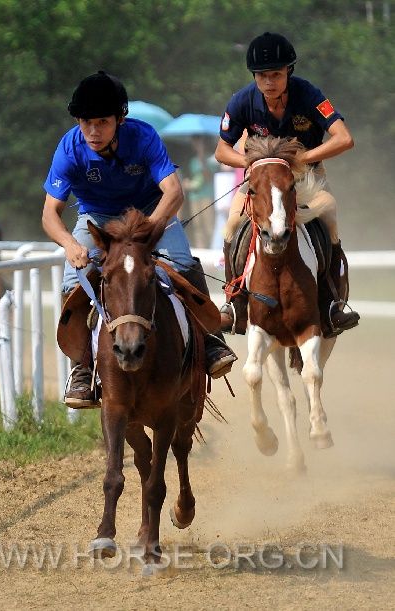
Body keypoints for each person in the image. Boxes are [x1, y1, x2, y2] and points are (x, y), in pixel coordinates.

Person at [42, 70, 237, 408]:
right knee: (72, 282)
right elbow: (49, 215)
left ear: (120, 118)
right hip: (96, 218)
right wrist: (71, 246)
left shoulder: (144, 137)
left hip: (149, 211)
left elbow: (173, 192)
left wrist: (148, 230)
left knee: (183, 263)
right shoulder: (69, 148)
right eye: (85, 122)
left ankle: (211, 340)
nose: (92, 131)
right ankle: (82, 369)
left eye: (102, 122)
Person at [214, 32, 360, 337]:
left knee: (329, 218)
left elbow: (344, 139)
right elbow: (221, 150)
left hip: (306, 177)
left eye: (277, 75)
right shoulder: (242, 101)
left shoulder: (308, 95)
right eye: (263, 76)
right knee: (231, 223)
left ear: (288, 72)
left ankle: (333, 302)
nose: (270, 82)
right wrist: (255, 165)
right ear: (255, 76)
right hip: (263, 180)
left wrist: (303, 158)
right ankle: (232, 301)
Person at [181, 135, 219, 248]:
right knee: (197, 225)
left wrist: (202, 158)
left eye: (198, 143)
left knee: (209, 224)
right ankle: (200, 248)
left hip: (207, 195)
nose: (196, 145)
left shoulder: (211, 159)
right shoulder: (192, 161)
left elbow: (207, 177)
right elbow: (194, 177)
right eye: (194, 143)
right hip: (194, 197)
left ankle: (212, 248)